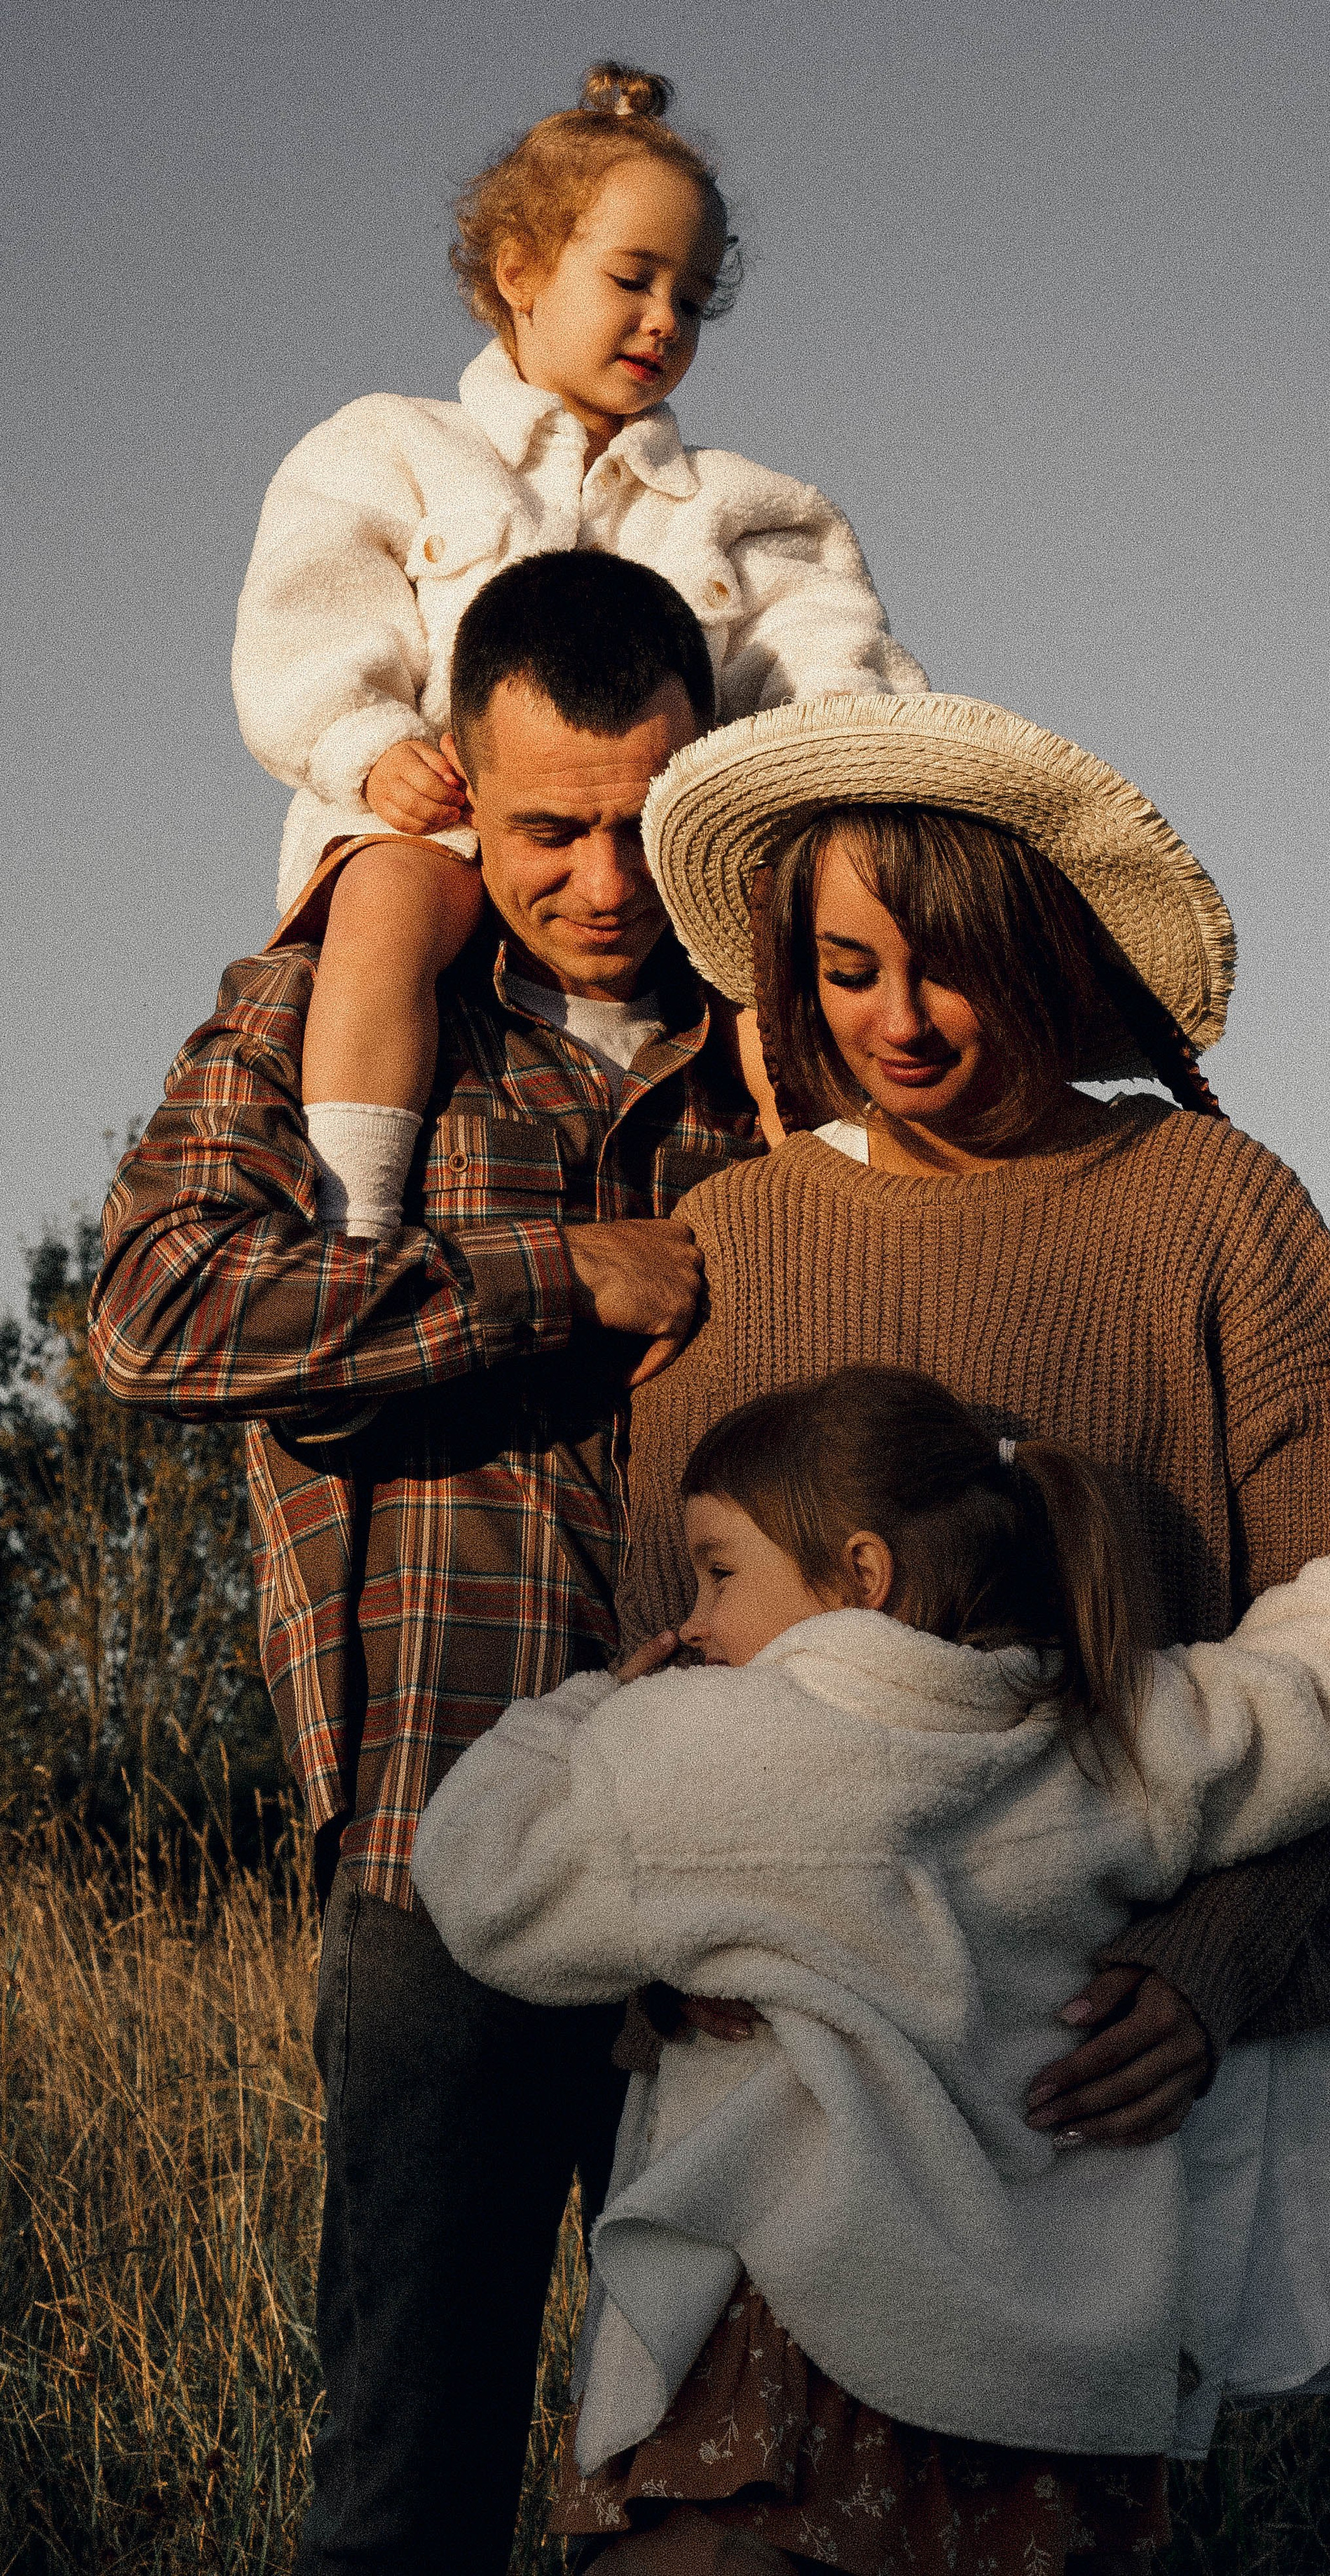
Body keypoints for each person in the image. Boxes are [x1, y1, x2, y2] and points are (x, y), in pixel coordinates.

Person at [599, 690, 1330, 2519]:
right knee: (715, 2516)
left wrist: (1211, 1974)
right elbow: (662, 1643)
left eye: (944, 965)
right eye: (848, 967)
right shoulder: (744, 1238)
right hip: (799, 2035)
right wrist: (683, 1947)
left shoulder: (1216, 1206)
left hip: (1095, 2040)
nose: (896, 1020)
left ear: (1041, 950)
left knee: (1025, 2523)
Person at [87, 550, 763, 2576]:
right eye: (547, 825)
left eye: (649, 821)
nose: (605, 879)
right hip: (441, 1852)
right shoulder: (338, 1013)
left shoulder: (778, 1056)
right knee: (408, 2485)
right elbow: (154, 1311)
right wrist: (557, 1276)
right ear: (455, 785)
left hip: (755, 1877)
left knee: (747, 2481)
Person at [411, 1349, 1330, 2576]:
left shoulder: (710, 1744)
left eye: (717, 1572)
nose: (692, 1621)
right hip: (1035, 2381)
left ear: (861, 1574)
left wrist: (589, 1704)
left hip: (791, 2331)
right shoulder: (1116, 1731)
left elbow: (478, 1877)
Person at [232, 60, 925, 1244]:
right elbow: (307, 620)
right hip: (443, 817)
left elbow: (819, 652)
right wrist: (364, 744)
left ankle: (841, 1210)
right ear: (521, 274)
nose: (665, 319)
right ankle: (357, 1210)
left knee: (779, 935)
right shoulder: (394, 450)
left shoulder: (738, 509)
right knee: (390, 894)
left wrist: (827, 759)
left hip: (660, 861)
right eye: (633, 279)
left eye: (695, 298)